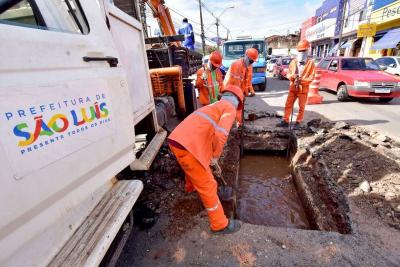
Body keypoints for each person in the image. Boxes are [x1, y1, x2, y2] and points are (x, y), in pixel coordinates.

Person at [168, 85, 244, 235]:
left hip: (177, 140)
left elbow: (206, 134)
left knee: (192, 168)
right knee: (209, 185)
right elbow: (220, 135)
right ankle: (220, 224)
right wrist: (215, 157)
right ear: (237, 102)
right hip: (189, 147)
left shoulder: (215, 105)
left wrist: (210, 158)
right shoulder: (229, 109)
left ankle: (191, 188)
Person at [276, 40, 315, 130]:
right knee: (288, 104)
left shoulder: (310, 63)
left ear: (307, 51)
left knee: (301, 107)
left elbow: (311, 77)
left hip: (303, 89)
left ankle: (298, 122)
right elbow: (288, 74)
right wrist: (292, 76)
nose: (301, 53)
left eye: (303, 51)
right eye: (300, 51)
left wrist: (302, 80)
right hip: (293, 88)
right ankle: (285, 121)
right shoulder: (293, 62)